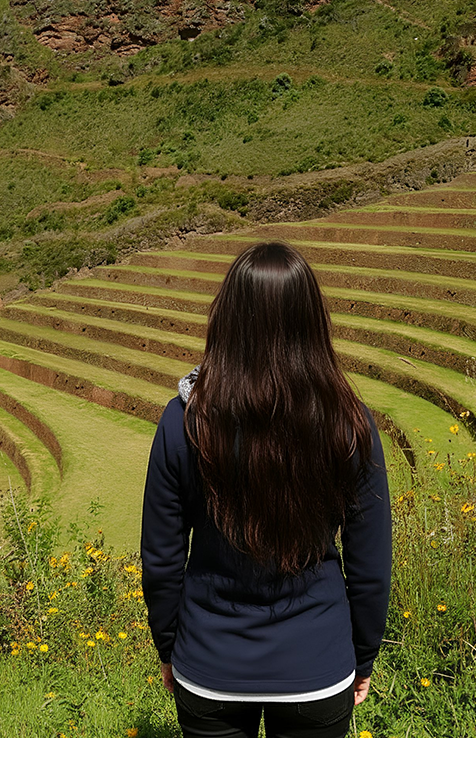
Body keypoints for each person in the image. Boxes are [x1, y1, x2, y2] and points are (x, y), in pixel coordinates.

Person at [141, 241, 391, 740]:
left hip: (209, 664)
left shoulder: (185, 422)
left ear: (227, 319)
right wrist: (362, 657)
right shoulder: (349, 425)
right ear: (311, 321)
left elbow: (162, 559)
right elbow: (370, 567)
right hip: (317, 664)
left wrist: (169, 648)